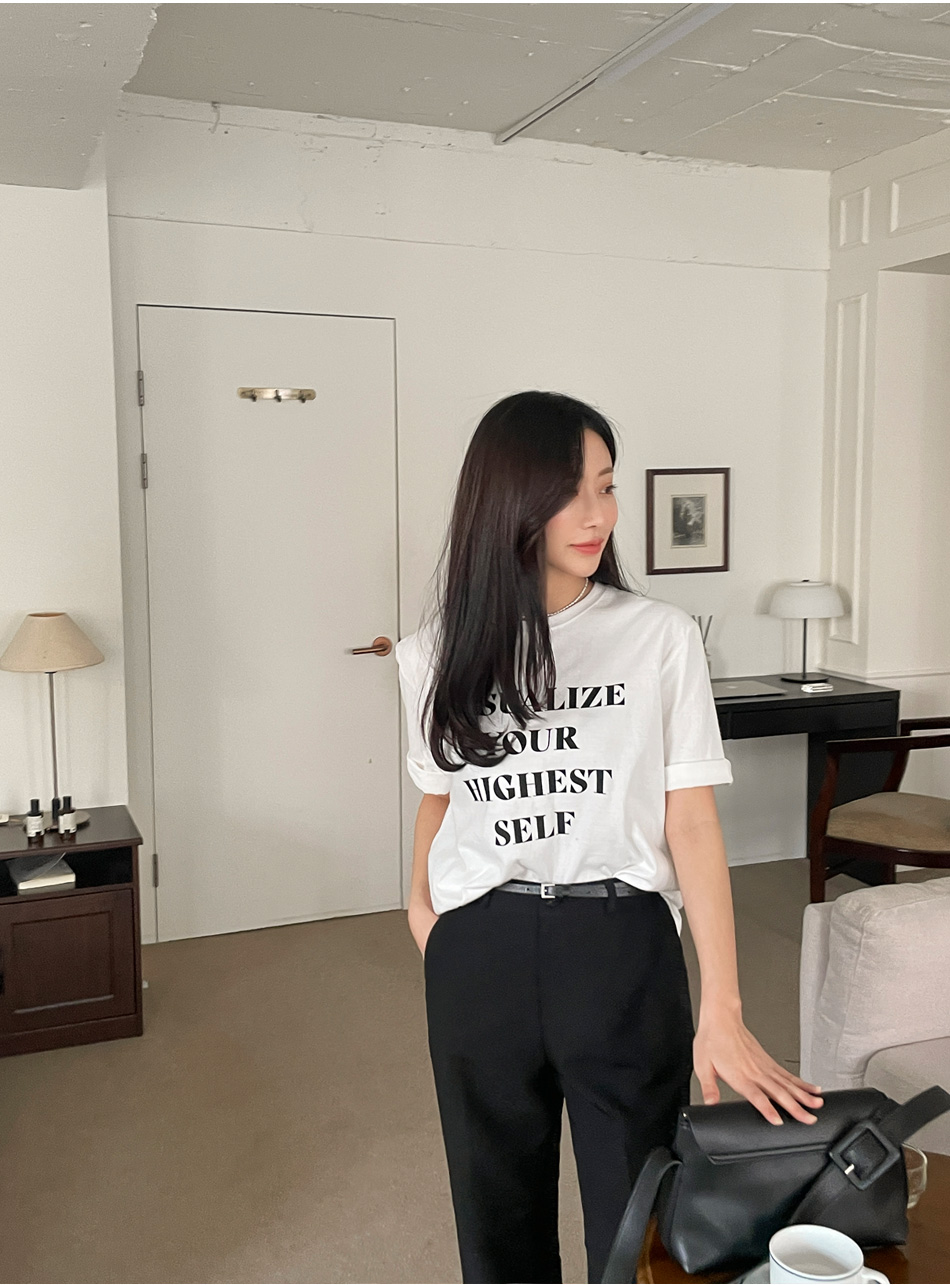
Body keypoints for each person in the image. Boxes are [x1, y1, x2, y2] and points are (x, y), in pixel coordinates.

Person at [394, 391, 823, 1285]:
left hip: (619, 941)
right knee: (494, 1221)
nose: (598, 514)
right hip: (480, 950)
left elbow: (691, 820)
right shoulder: (432, 653)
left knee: (636, 1228)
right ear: (509, 499)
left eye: (607, 486)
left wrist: (723, 1002)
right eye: (571, 490)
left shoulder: (659, 637)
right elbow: (439, 795)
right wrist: (424, 912)